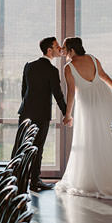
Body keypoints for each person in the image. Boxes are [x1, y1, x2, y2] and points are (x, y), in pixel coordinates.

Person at [55, 37, 112, 199]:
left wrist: (68, 114)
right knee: (110, 136)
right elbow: (104, 76)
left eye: (65, 48)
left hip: (87, 103)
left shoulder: (69, 67)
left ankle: (93, 179)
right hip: (105, 98)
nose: (63, 51)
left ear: (72, 50)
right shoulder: (92, 59)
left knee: (91, 138)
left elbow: (71, 92)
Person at [18, 37, 69, 191]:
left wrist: (28, 108)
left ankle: (17, 181)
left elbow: (23, 91)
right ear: (49, 50)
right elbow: (58, 95)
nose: (59, 48)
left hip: (25, 113)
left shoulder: (29, 66)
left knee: (23, 147)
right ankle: (34, 181)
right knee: (37, 148)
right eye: (56, 46)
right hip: (41, 116)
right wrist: (67, 114)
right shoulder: (52, 70)